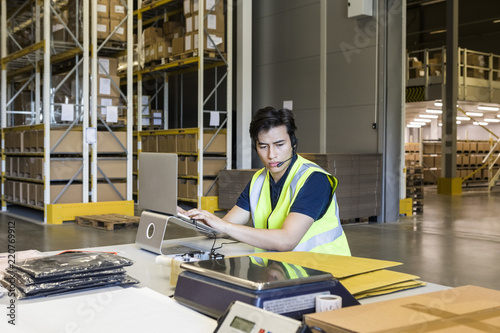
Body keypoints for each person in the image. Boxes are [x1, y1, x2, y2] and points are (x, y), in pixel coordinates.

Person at [181, 106, 351, 255]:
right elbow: (220, 229)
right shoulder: (258, 181)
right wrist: (187, 218)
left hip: (325, 270)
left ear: (293, 143)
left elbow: (286, 240)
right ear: (256, 147)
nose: (271, 155)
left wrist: (224, 227)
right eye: (263, 146)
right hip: (287, 270)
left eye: (279, 145)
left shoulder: (314, 180)